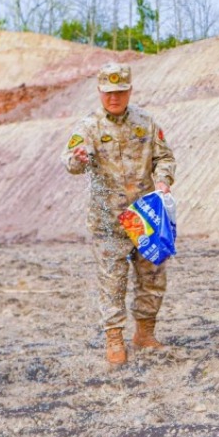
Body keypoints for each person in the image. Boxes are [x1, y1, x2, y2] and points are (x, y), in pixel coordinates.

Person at [62, 63, 176, 366]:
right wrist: (79, 159)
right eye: (109, 92)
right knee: (112, 282)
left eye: (120, 91)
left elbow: (164, 157)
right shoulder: (88, 127)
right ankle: (114, 339)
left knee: (152, 276)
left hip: (145, 217)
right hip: (108, 221)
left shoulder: (146, 122)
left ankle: (145, 333)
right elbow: (71, 163)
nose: (114, 97)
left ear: (130, 90)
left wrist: (163, 179)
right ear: (100, 91)